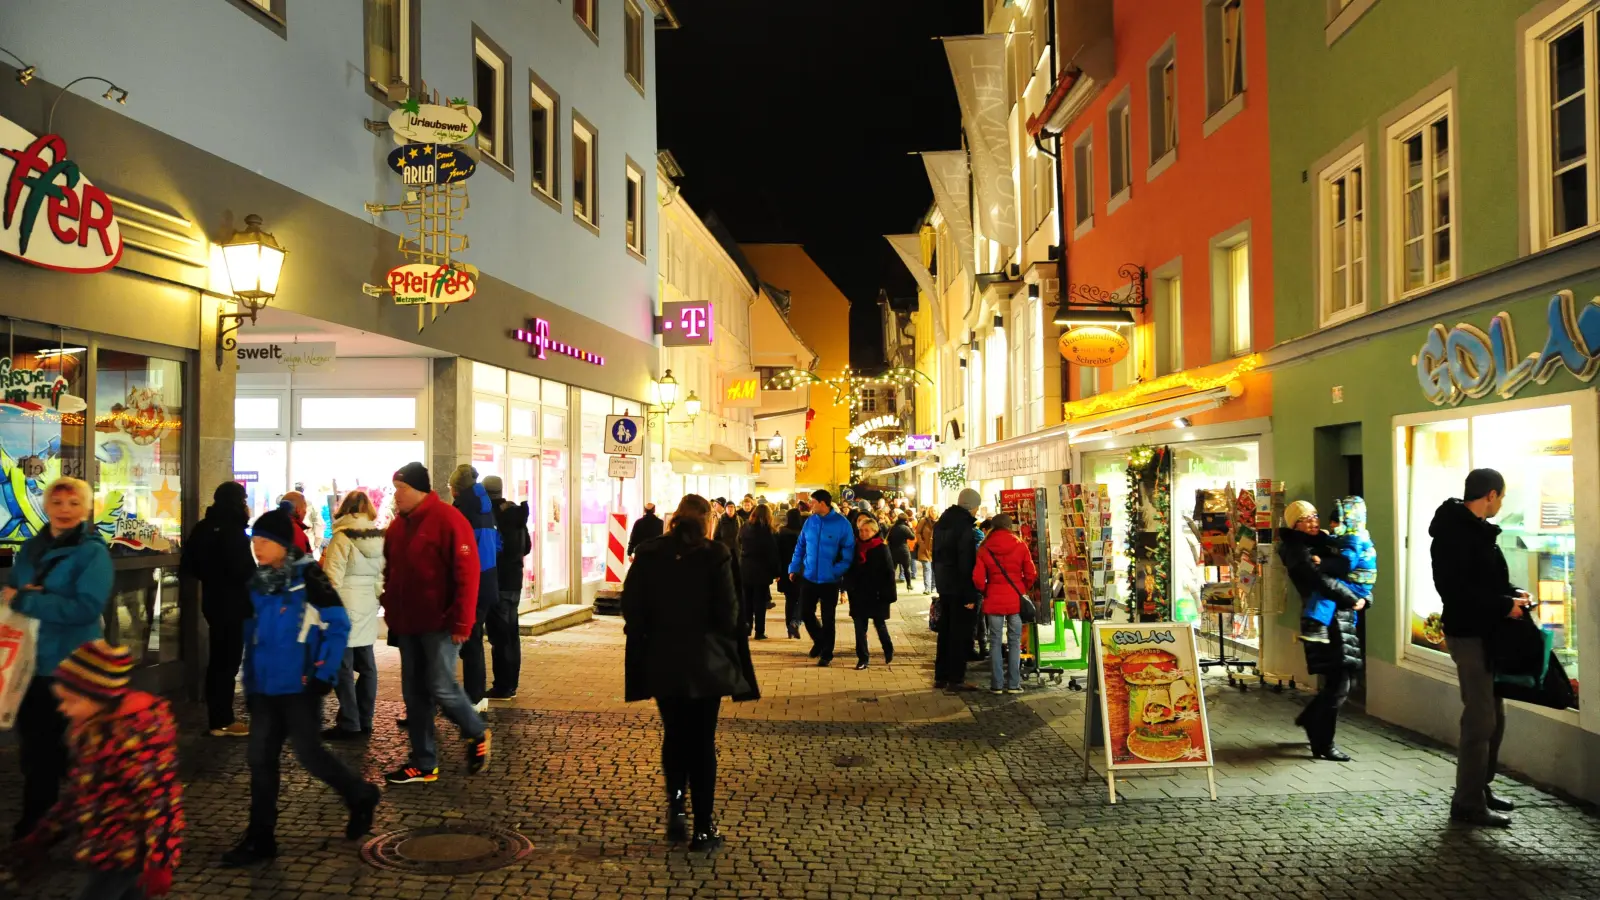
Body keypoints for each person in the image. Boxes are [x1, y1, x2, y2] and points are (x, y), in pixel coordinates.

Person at [221, 502, 380, 866]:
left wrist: (322, 674)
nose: (257, 546)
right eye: (254, 539)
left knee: (311, 756)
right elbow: (255, 634)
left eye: (264, 540)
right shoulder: (258, 583)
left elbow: (338, 624)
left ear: (283, 543)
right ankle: (260, 838)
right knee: (260, 761)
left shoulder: (309, 578)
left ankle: (359, 794)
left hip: (300, 686)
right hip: (265, 688)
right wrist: (250, 679)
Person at [623, 494, 758, 854]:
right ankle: (702, 828)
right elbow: (731, 616)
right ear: (707, 521)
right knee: (701, 743)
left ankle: (677, 807)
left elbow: (631, 606)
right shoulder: (717, 556)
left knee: (674, 734)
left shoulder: (650, 554)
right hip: (705, 664)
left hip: (663, 660)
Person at [4, 641, 183, 899]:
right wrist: (41, 837)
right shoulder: (92, 732)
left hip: (128, 856)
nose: (62, 708)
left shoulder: (136, 743)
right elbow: (79, 794)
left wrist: (161, 862)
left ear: (99, 698)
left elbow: (162, 803)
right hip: (105, 850)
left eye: (71, 701)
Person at [5, 476, 112, 842]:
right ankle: (42, 821)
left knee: (75, 751)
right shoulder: (30, 549)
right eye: (58, 502)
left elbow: (86, 607)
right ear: (46, 506)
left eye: (73, 503)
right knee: (36, 749)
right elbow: (18, 591)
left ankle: (84, 821)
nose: (65, 510)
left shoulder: (93, 552)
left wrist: (31, 598)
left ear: (85, 509)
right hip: (31, 661)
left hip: (74, 666)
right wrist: (29, 595)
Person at [380, 463, 491, 785]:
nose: (396, 495)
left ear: (419, 489)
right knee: (414, 694)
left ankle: (476, 731)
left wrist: (462, 621)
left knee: (441, 686)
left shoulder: (448, 519)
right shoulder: (398, 527)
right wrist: (390, 607)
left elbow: (467, 575)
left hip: (441, 623)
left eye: (401, 488)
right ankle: (423, 762)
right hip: (409, 623)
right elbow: (392, 572)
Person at [1430, 468, 1528, 828]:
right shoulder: (1455, 534)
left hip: (1487, 633)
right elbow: (1458, 591)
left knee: (1495, 717)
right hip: (1469, 634)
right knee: (1480, 719)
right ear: (1490, 495)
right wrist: (1504, 606)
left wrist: (1512, 594)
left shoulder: (1477, 531)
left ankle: (1479, 787)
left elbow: (1486, 580)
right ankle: (1467, 802)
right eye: (1501, 497)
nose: (1502, 503)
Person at [1277, 500, 1365, 763]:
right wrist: (1351, 597)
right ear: (1294, 525)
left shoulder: (1325, 542)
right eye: (1306, 519)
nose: (1314, 521)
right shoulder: (1295, 549)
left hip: (1341, 618)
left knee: (1344, 679)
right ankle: (1323, 743)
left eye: (1315, 515)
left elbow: (1346, 566)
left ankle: (1311, 722)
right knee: (1339, 682)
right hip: (1323, 622)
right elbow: (1318, 580)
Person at [180, 481, 256, 738]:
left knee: (218, 660)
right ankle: (222, 720)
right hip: (234, 604)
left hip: (212, 601)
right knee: (228, 662)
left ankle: (218, 717)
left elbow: (189, 565)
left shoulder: (203, 528)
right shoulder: (232, 531)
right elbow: (244, 570)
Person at [320, 490, 385, 739]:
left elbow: (332, 577)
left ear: (344, 509)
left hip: (345, 605)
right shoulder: (378, 537)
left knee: (343, 666)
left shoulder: (341, 537)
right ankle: (365, 718)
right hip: (367, 604)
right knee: (367, 664)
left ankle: (350, 721)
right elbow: (382, 574)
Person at [450, 464, 499, 712]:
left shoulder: (463, 510)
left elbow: (459, 550)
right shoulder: (485, 506)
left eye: (450, 488)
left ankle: (473, 697)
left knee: (469, 640)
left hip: (473, 582)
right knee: (474, 639)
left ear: (457, 489)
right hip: (487, 579)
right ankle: (475, 696)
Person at [787, 489, 854, 667]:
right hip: (809, 577)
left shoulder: (842, 524)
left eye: (813, 501)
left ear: (823, 503)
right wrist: (794, 567)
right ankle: (819, 640)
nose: (810, 505)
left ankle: (827, 653)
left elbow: (848, 552)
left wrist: (836, 570)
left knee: (828, 617)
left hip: (830, 580)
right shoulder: (810, 522)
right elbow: (800, 546)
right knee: (805, 613)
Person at [973, 513, 1036, 695]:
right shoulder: (1020, 545)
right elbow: (1030, 573)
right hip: (1015, 600)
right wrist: (1022, 587)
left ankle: (996, 685)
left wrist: (987, 590)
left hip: (993, 599)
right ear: (1009, 527)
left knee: (994, 642)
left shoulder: (984, 547)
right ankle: (1014, 684)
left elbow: (977, 578)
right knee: (1015, 642)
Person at [1300, 497, 1377, 644]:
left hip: (1356, 583)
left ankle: (1318, 628)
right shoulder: (1354, 536)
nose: (1331, 525)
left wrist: (1323, 563)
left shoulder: (1353, 539)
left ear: (1346, 521)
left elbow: (1345, 563)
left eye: (1335, 522)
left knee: (1325, 593)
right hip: (1359, 585)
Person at [483, 476, 529, 700]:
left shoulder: (490, 515)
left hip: (498, 581)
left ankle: (502, 685)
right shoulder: (516, 513)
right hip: (514, 582)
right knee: (511, 634)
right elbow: (526, 547)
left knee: (499, 637)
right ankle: (511, 683)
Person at [933, 488, 983, 692]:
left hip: (944, 585)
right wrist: (970, 594)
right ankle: (956, 678)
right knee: (960, 633)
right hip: (959, 587)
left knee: (945, 631)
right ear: (971, 506)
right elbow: (965, 562)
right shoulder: (963, 527)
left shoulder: (942, 523)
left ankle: (941, 676)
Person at [843, 516, 896, 670]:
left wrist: (888, 595)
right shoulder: (854, 547)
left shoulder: (881, 547)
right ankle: (863, 658)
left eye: (867, 530)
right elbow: (849, 569)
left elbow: (889, 573)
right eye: (861, 530)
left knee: (880, 625)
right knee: (860, 628)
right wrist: (847, 588)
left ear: (874, 531)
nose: (863, 533)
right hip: (858, 594)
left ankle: (888, 648)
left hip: (877, 594)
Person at [737, 503, 781, 640]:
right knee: (760, 602)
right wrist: (777, 572)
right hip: (761, 571)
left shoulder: (744, 527)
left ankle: (747, 627)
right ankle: (759, 631)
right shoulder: (768, 531)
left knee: (747, 601)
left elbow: (738, 542)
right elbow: (772, 553)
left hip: (746, 568)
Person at [775, 508, 805, 639]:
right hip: (802, 571)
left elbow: (777, 553)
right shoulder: (803, 534)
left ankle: (789, 628)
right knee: (802, 599)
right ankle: (795, 622)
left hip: (786, 570)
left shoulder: (781, 533)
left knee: (790, 600)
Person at [278, 490, 314, 556]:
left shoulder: (272, 525)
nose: (305, 512)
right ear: (298, 510)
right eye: (305, 508)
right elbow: (299, 563)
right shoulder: (295, 531)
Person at [887, 512, 916, 592]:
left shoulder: (892, 527)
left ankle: (891, 585)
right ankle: (909, 584)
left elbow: (888, 538)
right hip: (904, 551)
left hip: (893, 550)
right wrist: (910, 527)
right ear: (906, 520)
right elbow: (912, 537)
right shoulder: (905, 528)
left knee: (893, 569)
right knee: (906, 569)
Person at [915, 507, 936, 594]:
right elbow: (918, 532)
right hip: (925, 549)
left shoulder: (940, 522)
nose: (933, 512)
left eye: (934, 510)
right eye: (931, 510)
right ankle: (927, 588)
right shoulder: (924, 521)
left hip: (935, 549)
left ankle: (933, 587)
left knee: (935, 569)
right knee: (927, 568)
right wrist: (921, 543)